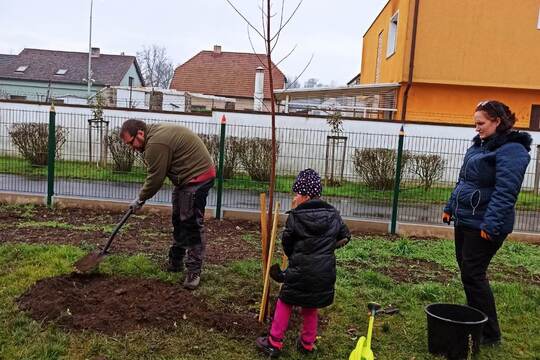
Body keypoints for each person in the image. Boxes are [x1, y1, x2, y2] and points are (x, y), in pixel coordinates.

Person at [442, 100, 532, 346]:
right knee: (468, 273)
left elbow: (506, 192)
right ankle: (476, 322)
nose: (477, 128)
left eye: (481, 123)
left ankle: (490, 334)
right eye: (475, 123)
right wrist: (450, 208)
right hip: (466, 220)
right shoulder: (479, 147)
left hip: (485, 225)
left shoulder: (512, 150)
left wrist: (490, 226)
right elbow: (463, 180)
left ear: (497, 121)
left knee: (473, 273)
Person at [256, 169, 351, 357]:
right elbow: (345, 236)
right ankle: (307, 343)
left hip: (299, 270)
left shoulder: (296, 216)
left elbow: (287, 242)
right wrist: (327, 249)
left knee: (285, 301)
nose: (295, 197)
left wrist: (294, 258)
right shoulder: (333, 214)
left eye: (297, 194)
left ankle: (274, 342)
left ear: (306, 196)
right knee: (310, 306)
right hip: (322, 273)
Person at [120, 119, 215, 290]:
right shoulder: (152, 136)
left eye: (131, 142)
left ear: (140, 133)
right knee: (179, 219)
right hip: (185, 179)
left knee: (191, 223)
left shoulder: (155, 143)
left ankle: (194, 271)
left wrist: (140, 199)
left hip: (197, 177)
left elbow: (156, 178)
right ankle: (176, 260)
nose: (132, 148)